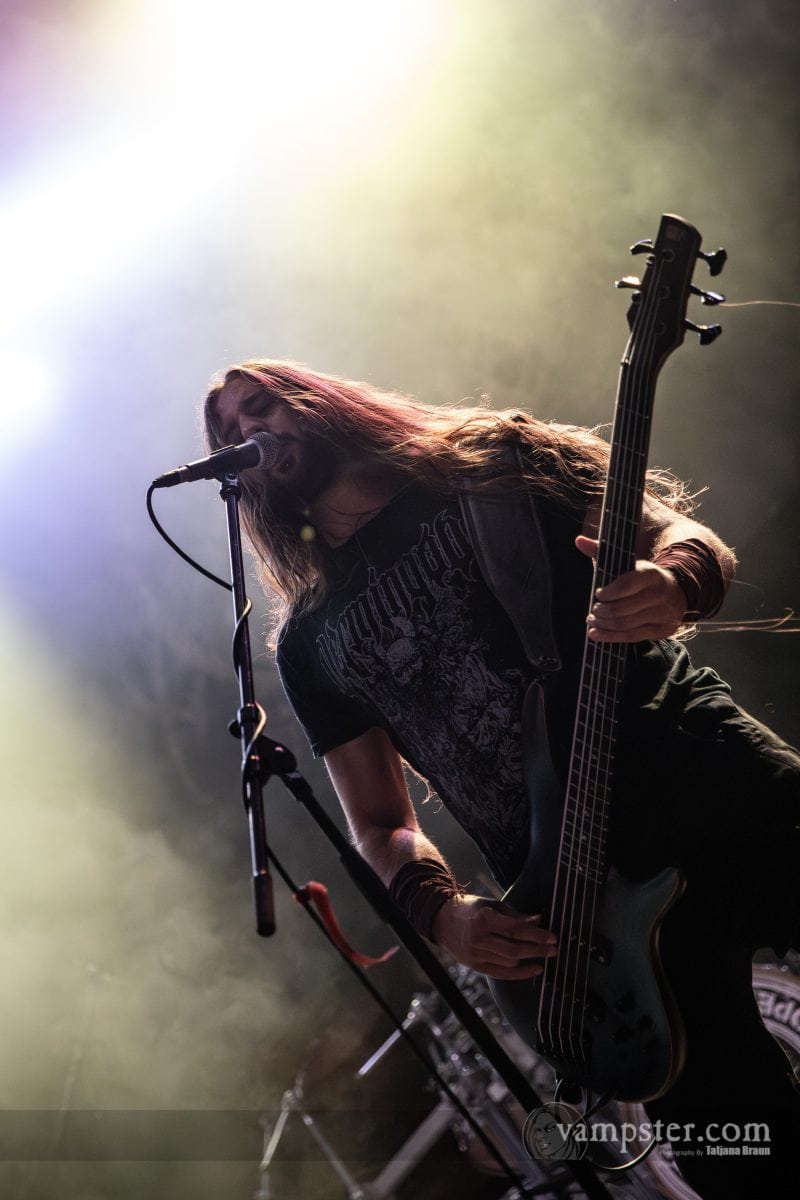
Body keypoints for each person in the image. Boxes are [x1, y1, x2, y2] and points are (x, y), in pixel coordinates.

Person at [203, 359, 800, 1199]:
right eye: (228, 431)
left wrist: (676, 580)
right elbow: (378, 822)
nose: (246, 432)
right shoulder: (310, 642)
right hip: (579, 907)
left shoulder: (487, 460)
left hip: (701, 770)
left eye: (258, 406)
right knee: (740, 1150)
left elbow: (676, 533)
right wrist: (443, 915)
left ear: (315, 400)